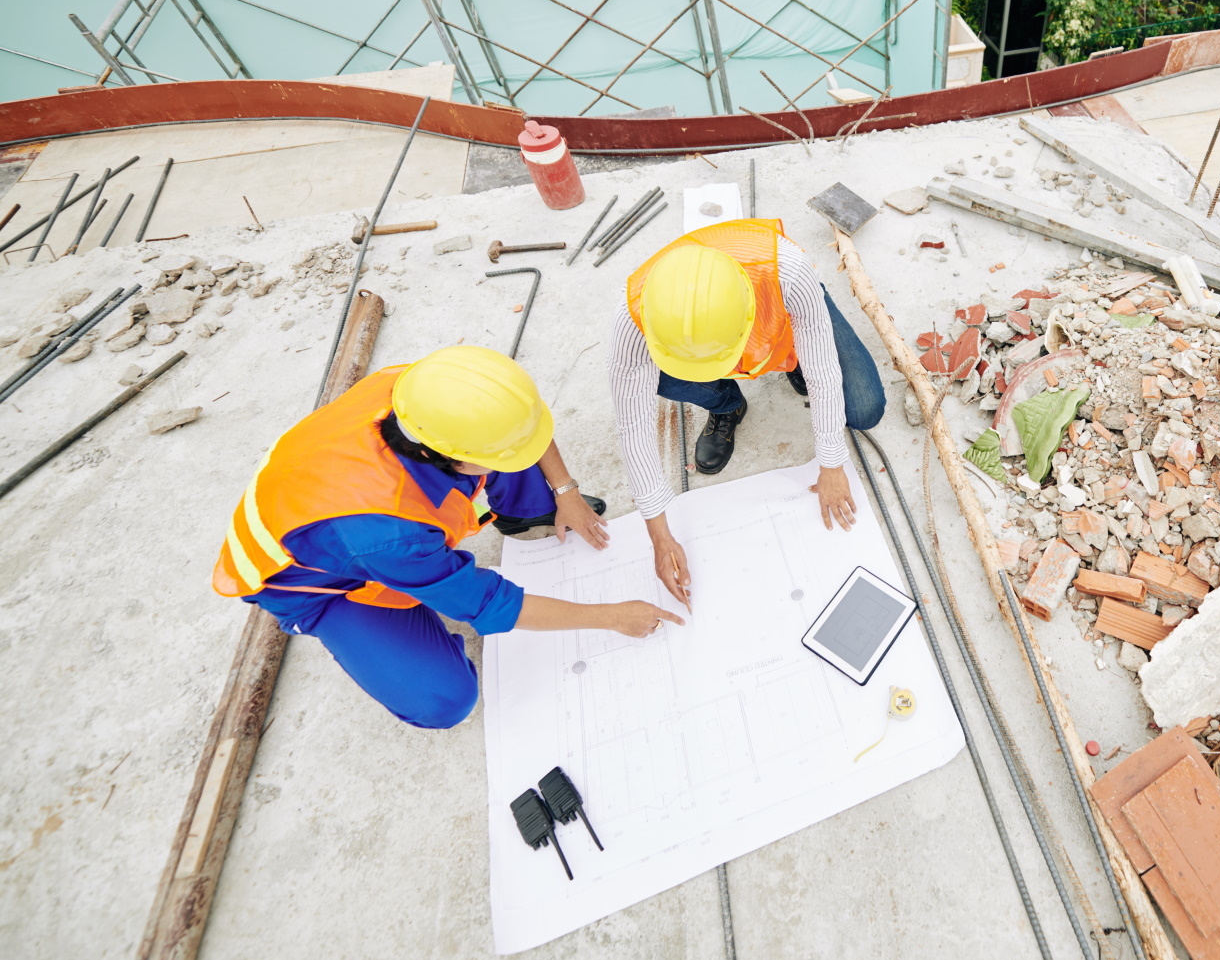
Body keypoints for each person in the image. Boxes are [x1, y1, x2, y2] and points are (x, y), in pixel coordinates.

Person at [212, 345, 682, 729]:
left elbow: (525, 428)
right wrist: (614, 616)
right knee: (444, 700)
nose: (518, 455)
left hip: (347, 513)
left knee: (510, 456)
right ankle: (394, 617)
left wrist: (566, 492)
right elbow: (492, 605)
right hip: (320, 585)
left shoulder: (433, 391)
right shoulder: (392, 533)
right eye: (491, 457)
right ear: (439, 456)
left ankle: (519, 512)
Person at [608, 218, 886, 606]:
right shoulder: (637, 317)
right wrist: (659, 534)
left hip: (788, 320)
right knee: (657, 379)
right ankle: (727, 404)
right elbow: (633, 425)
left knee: (865, 407)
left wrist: (832, 464)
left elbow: (824, 372)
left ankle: (791, 360)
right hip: (739, 338)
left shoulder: (787, 272)